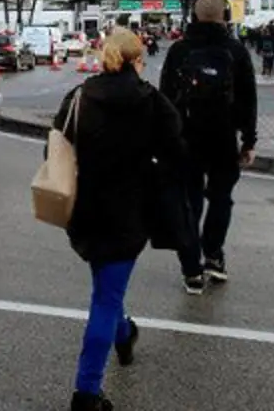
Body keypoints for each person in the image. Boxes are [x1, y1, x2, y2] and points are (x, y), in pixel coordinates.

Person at [52, 28, 190, 411]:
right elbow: (177, 156)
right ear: (136, 59)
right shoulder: (152, 102)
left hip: (85, 208)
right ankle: (86, 392)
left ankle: (125, 332)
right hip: (128, 211)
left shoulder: (79, 97)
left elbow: (57, 147)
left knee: (106, 288)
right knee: (105, 297)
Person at [160, 0, 258, 295]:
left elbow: (164, 97)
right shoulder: (236, 51)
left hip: (185, 139)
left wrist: (165, 140)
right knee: (221, 197)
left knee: (189, 202)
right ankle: (213, 255)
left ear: (194, 17)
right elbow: (248, 99)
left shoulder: (179, 50)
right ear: (224, 17)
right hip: (223, 138)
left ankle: (191, 269)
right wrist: (248, 140)